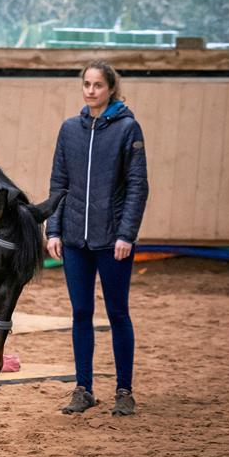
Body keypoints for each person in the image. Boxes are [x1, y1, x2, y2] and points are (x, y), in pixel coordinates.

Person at [46, 60, 149, 416]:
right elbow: (59, 184)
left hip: (112, 241)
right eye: (86, 84)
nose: (91, 90)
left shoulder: (128, 129)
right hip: (75, 239)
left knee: (118, 313)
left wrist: (126, 234)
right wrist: (53, 229)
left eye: (98, 85)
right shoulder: (69, 129)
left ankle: (124, 390)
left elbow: (138, 187)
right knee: (81, 313)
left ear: (111, 89)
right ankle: (83, 388)